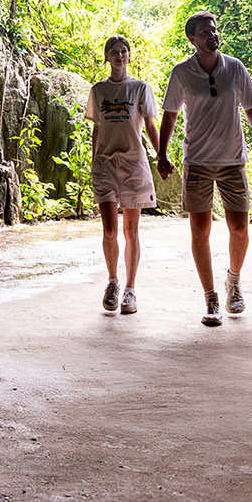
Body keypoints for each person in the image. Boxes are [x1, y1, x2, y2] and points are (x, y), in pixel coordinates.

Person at [154, 10, 252, 326]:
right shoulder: (181, 73)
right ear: (192, 38)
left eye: (214, 29)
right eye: (205, 31)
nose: (212, 34)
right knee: (200, 231)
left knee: (239, 229)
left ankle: (233, 281)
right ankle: (210, 298)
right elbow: (169, 115)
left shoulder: (234, 68)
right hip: (197, 161)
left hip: (232, 161)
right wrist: (162, 153)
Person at [87, 34, 159, 315]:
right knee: (109, 230)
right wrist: (94, 161)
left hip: (133, 165)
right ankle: (112, 282)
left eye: (123, 51)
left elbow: (151, 125)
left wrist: (161, 154)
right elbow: (97, 129)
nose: (119, 55)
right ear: (106, 56)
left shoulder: (140, 88)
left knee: (131, 230)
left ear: (129, 56)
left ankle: (130, 289)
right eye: (114, 51)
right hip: (105, 165)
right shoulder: (98, 90)